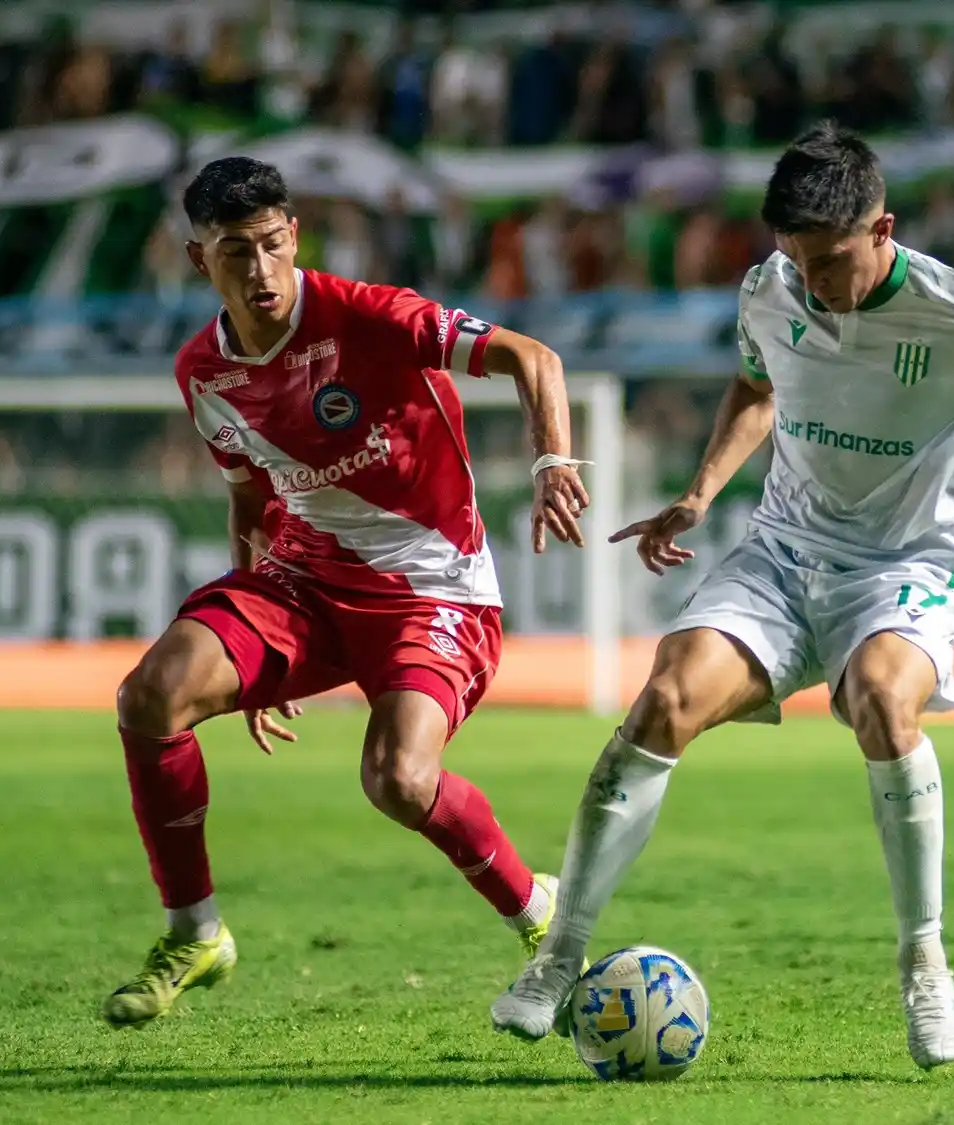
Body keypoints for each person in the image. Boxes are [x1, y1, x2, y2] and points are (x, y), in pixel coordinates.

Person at [490, 122, 954, 1069]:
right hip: (783, 555)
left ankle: (925, 964)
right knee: (664, 698)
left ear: (884, 229)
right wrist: (701, 491)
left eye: (829, 262)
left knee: (880, 697)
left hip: (905, 568)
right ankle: (560, 955)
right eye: (796, 259)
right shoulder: (770, 287)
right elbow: (757, 385)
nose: (812, 283)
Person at [102, 157, 590, 1028]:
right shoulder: (203, 373)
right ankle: (194, 933)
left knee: (399, 778)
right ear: (199, 259)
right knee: (151, 696)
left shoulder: (371, 316)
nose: (260, 269)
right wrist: (250, 654)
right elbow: (250, 500)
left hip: (433, 589)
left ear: (295, 236)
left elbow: (533, 356)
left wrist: (553, 460)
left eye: (271, 243)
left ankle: (537, 911)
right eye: (235, 252)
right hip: (303, 582)